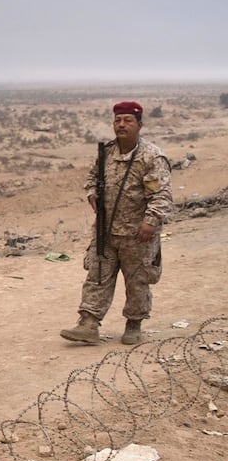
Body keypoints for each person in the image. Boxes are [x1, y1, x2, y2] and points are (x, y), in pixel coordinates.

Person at [61, 101, 173, 345]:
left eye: (127, 121)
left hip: (138, 234)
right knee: (97, 276)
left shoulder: (151, 156)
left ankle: (134, 324)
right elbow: (92, 177)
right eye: (117, 120)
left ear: (139, 125)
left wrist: (151, 222)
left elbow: (161, 194)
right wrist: (92, 192)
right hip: (106, 230)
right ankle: (88, 323)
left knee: (137, 281)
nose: (121, 125)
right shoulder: (106, 153)